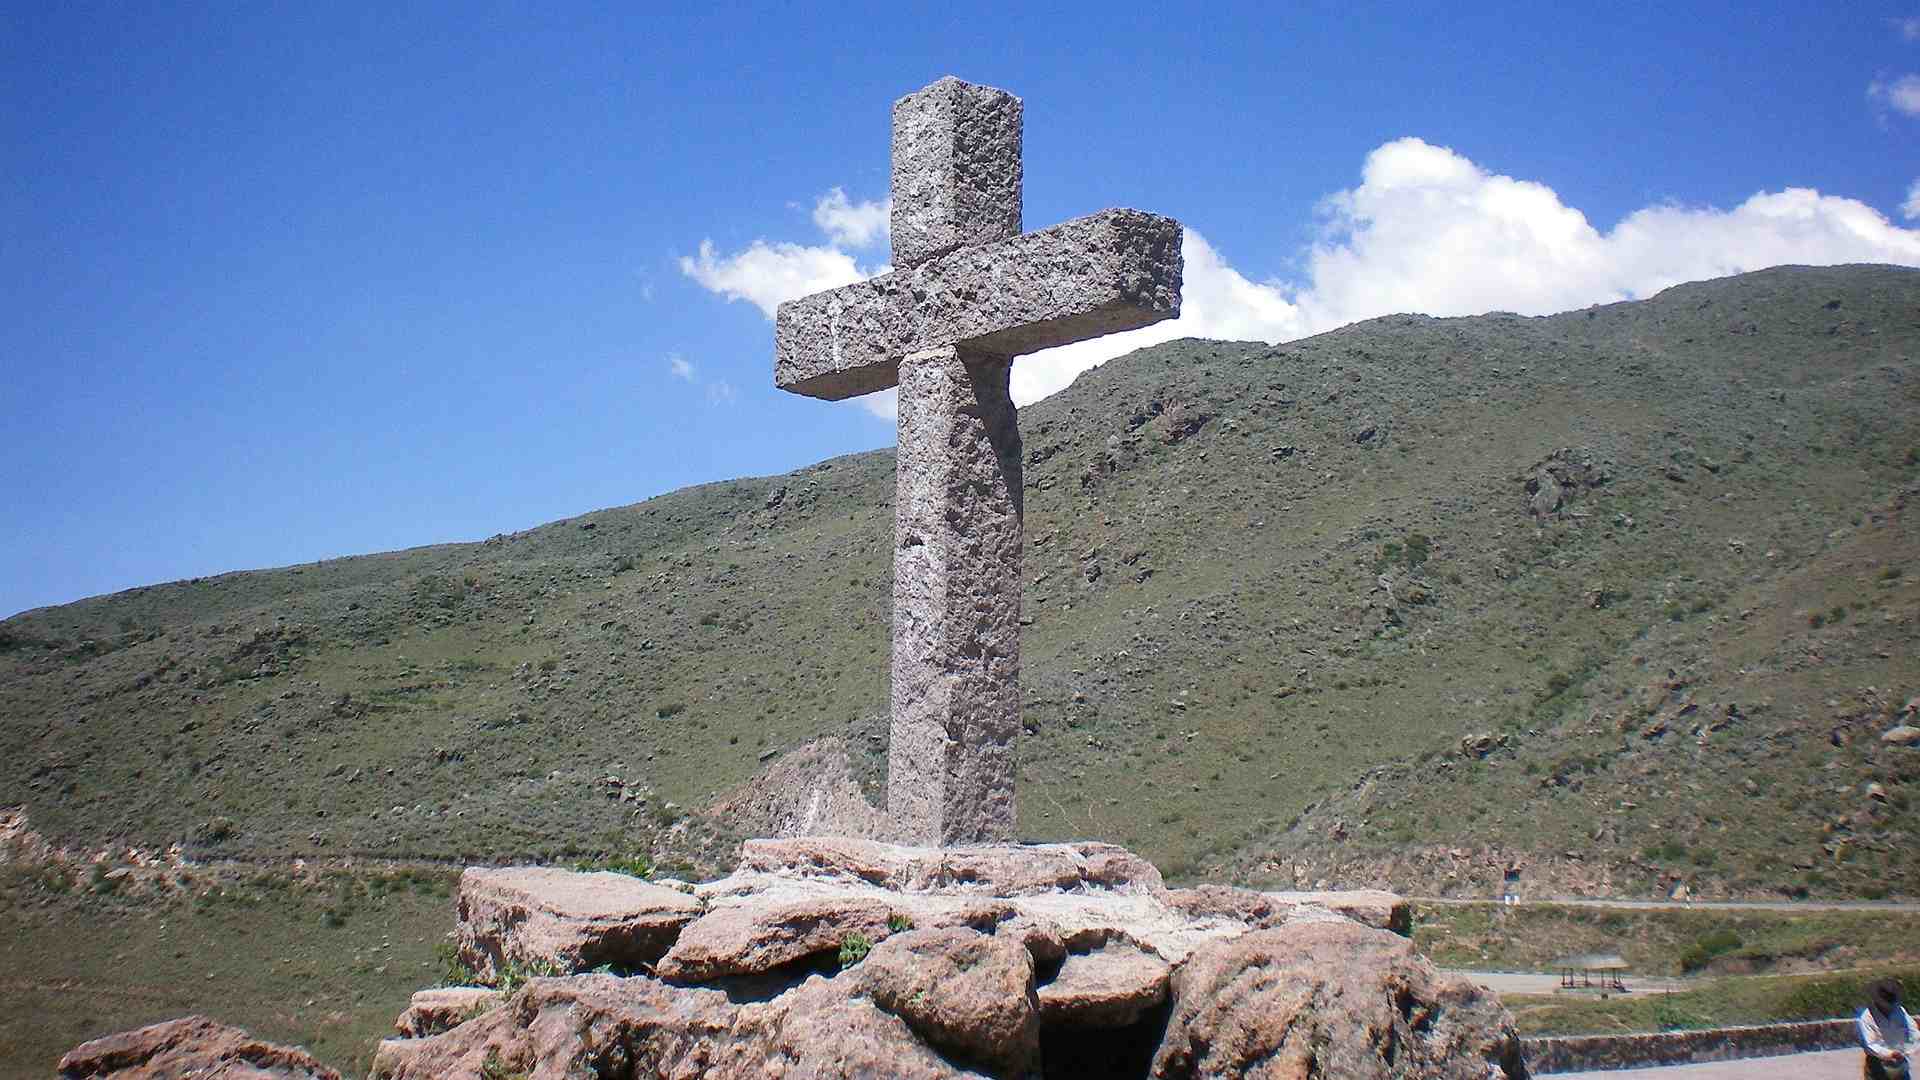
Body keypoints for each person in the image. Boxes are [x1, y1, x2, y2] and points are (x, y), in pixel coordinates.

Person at [1860, 978, 1918, 1080]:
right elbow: (1870, 1045)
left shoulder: (1900, 1011)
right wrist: (1890, 1054)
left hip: (1900, 1063)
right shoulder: (1867, 1017)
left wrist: (1910, 1048)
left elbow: (1913, 1030)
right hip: (1877, 1066)